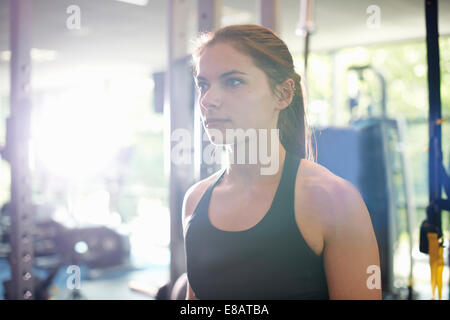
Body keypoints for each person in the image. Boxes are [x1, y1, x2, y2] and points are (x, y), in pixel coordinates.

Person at [182, 24, 381, 300]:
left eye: (233, 81)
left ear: (284, 94)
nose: (208, 99)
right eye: (203, 84)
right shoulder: (195, 200)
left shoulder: (333, 200)